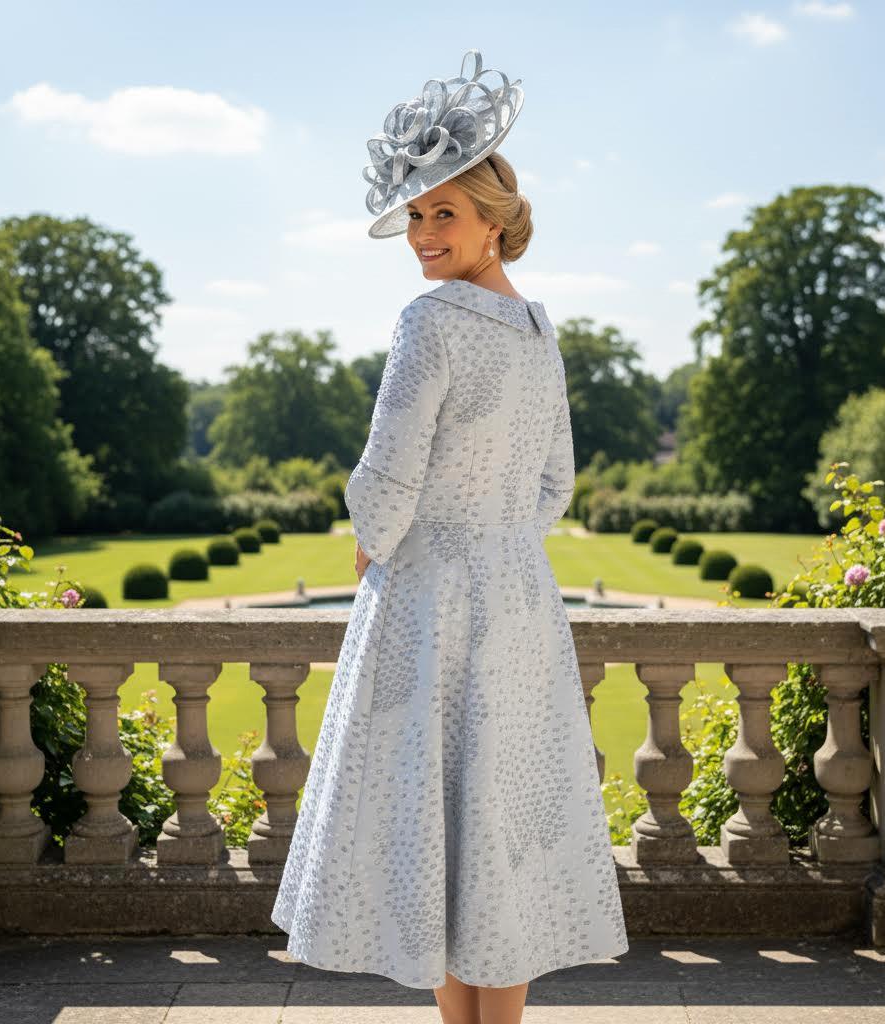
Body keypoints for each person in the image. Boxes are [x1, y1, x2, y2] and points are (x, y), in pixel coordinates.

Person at [271, 49, 629, 1024]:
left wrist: (374, 539)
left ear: (492, 221)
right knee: (495, 833)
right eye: (417, 215)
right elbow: (556, 479)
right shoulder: (538, 329)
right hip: (519, 598)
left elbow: (389, 469)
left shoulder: (428, 323)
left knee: (431, 821)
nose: (425, 235)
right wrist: (505, 538)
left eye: (445, 214)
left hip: (429, 596)